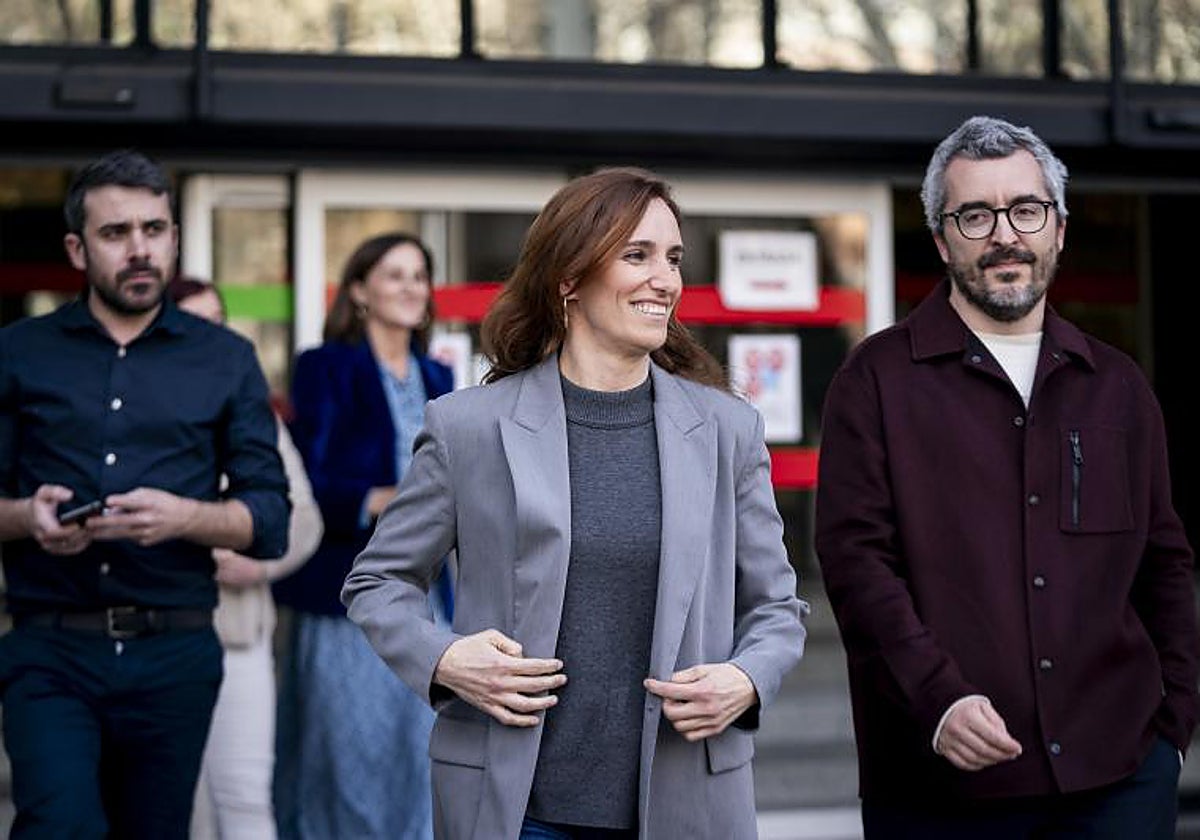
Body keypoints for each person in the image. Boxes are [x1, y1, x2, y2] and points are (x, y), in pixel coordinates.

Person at [342, 167, 807, 840]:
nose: (665, 279)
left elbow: (776, 607)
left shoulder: (728, 430)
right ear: (569, 278)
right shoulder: (468, 427)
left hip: (687, 802)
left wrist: (745, 678)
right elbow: (377, 581)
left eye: (673, 258)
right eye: (637, 255)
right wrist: (444, 659)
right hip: (516, 808)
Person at [814, 115, 1199, 839]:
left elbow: (1165, 564)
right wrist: (938, 700)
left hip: (1119, 784)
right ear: (940, 239)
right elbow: (857, 565)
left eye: (1026, 210)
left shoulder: (1117, 386)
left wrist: (1173, 727)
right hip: (940, 793)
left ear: (1057, 228)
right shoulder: (875, 380)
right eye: (975, 215)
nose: (1004, 235)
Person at [0, 149, 290, 839]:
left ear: (175, 238)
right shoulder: (18, 352)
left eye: (154, 230)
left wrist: (186, 517)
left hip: (175, 653)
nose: (139, 250)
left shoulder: (227, 359)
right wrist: (25, 517)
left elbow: (270, 517)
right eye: (115, 233)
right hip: (50, 648)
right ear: (77, 248)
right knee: (58, 825)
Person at [272, 232, 454, 839]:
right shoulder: (326, 367)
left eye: (419, 275)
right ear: (358, 291)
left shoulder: (438, 372)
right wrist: (374, 499)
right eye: (394, 274)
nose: (410, 287)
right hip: (347, 596)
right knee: (348, 758)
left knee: (422, 753)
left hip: (429, 600)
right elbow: (306, 479)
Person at [167, 277, 324, 840]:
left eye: (217, 318)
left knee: (244, 800)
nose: (209, 332)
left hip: (239, 637)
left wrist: (259, 563)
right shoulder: (135, 417)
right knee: (174, 807)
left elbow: (304, 519)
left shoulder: (255, 413)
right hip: (155, 638)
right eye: (192, 319)